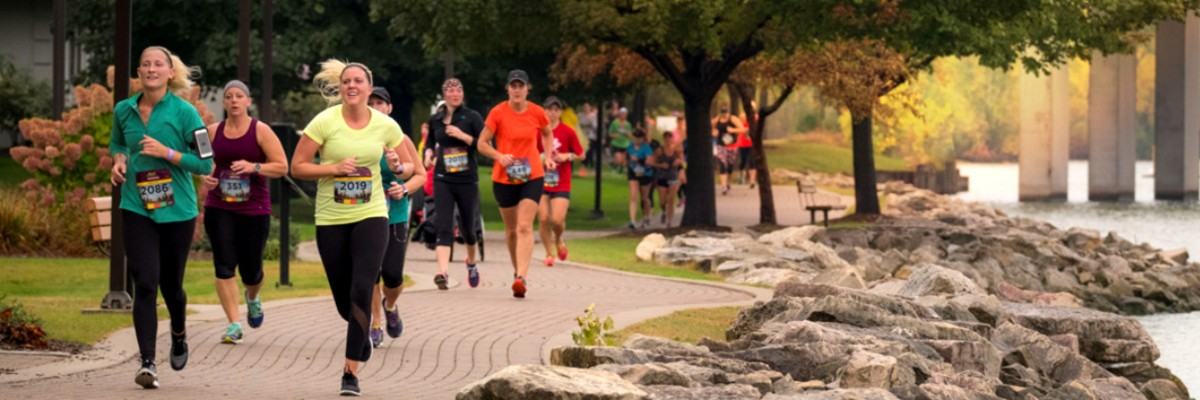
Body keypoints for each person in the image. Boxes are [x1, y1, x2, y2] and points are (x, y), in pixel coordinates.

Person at [290, 60, 415, 396]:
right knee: (344, 302)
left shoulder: (386, 125)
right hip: (331, 218)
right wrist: (332, 168)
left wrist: (395, 166)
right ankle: (359, 338)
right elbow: (297, 166)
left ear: (369, 87)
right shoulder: (324, 122)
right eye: (347, 81)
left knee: (363, 289)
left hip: (372, 215)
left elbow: (408, 169)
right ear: (341, 87)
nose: (352, 86)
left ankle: (350, 374)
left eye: (358, 81)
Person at [110, 46, 213, 389]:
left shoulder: (185, 113)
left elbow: (205, 164)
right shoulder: (123, 110)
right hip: (136, 205)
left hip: (177, 209)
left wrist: (167, 153)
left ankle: (179, 333)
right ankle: (148, 362)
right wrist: (119, 160)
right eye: (145, 64)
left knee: (171, 286)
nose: (151, 68)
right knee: (145, 282)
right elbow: (117, 145)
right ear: (138, 72)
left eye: (159, 64)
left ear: (170, 72)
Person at [199, 80, 287, 345]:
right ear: (224, 103)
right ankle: (233, 324)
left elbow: (282, 166)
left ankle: (252, 296)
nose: (234, 100)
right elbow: (202, 163)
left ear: (248, 101)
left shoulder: (261, 131)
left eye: (239, 96)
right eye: (229, 96)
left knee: (251, 270)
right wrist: (206, 176)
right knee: (224, 264)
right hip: (220, 206)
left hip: (254, 208)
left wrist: (254, 167)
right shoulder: (213, 131)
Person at [476, 69, 556, 298]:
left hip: (532, 175)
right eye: (513, 86)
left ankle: (522, 277)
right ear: (508, 88)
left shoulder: (537, 112)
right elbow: (482, 143)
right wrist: (499, 156)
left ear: (527, 88)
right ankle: (516, 271)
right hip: (504, 177)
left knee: (523, 226)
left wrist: (548, 156)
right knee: (511, 230)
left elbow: (547, 134)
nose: (517, 89)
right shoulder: (498, 113)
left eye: (521, 85)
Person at [366, 87, 426, 348]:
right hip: (365, 213)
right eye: (371, 103)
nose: (376, 107)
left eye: (380, 103)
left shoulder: (399, 139)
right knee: (370, 273)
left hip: (395, 215)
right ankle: (375, 323)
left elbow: (420, 175)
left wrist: (403, 188)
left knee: (392, 275)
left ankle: (390, 305)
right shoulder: (357, 138)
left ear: (389, 108)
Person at [428, 78, 485, 290]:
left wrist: (463, 136)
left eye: (459, 90)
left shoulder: (472, 117)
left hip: (466, 178)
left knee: (468, 229)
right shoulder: (436, 119)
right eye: (451, 91)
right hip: (443, 178)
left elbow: (484, 145)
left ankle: (471, 262)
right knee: (443, 226)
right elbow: (430, 144)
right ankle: (442, 273)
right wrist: (428, 155)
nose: (455, 94)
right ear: (444, 95)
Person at [537, 96, 584, 267]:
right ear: (544, 111)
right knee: (543, 218)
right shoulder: (538, 131)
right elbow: (529, 152)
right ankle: (549, 253)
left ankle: (558, 240)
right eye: (549, 109)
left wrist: (567, 156)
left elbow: (581, 153)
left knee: (557, 220)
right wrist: (541, 158)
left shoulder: (568, 132)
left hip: (561, 180)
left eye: (556, 110)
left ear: (560, 112)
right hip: (540, 179)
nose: (552, 113)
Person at [650, 131, 683, 228]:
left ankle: (669, 221)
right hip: (662, 176)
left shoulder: (676, 150)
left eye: (670, 138)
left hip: (673, 176)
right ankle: (664, 211)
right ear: (664, 139)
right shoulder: (659, 150)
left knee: (671, 200)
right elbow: (652, 162)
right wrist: (660, 165)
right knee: (662, 201)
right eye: (666, 138)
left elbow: (682, 159)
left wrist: (678, 161)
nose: (668, 140)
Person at [711, 103, 745, 195]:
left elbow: (743, 129)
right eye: (722, 112)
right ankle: (723, 187)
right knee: (722, 164)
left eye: (725, 112)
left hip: (732, 146)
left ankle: (728, 182)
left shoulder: (733, 119)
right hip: (720, 145)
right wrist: (714, 132)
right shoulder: (717, 119)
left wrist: (733, 130)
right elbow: (710, 128)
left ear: (728, 112)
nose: (724, 115)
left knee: (730, 166)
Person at [626, 129, 654, 230]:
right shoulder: (630, 147)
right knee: (633, 197)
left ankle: (647, 216)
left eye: (639, 138)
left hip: (645, 174)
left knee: (644, 198)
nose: (637, 140)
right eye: (636, 137)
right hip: (633, 173)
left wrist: (639, 160)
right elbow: (627, 158)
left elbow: (649, 161)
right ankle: (632, 220)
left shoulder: (646, 148)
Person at [736, 107, 757, 188]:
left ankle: (752, 181)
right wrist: (746, 130)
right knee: (743, 162)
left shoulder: (756, 117)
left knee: (752, 162)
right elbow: (739, 128)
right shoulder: (742, 117)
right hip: (742, 143)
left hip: (752, 143)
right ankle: (742, 175)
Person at [608, 107, 632, 173]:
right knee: (618, 159)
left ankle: (620, 168)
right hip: (616, 144)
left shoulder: (628, 124)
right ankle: (616, 167)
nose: (623, 115)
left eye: (625, 114)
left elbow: (630, 136)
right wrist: (616, 135)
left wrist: (626, 133)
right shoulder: (615, 123)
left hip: (625, 144)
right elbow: (610, 134)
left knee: (623, 160)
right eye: (622, 114)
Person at [578, 102, 598, 169]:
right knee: (583, 150)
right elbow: (578, 125)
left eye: (587, 107)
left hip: (591, 135)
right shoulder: (580, 115)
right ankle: (583, 164)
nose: (586, 108)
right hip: (582, 135)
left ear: (590, 107)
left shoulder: (593, 115)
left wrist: (590, 120)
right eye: (585, 107)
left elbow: (595, 126)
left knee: (590, 151)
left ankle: (591, 164)